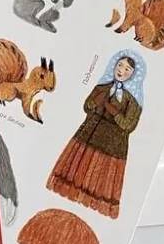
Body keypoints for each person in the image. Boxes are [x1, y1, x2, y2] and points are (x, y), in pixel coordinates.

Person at [46, 50, 146, 219]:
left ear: (134, 75)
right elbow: (87, 106)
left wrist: (112, 110)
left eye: (127, 69)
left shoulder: (133, 100)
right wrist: (96, 102)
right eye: (120, 65)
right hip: (88, 136)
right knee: (76, 172)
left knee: (99, 180)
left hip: (111, 146)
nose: (121, 70)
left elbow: (129, 125)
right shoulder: (103, 86)